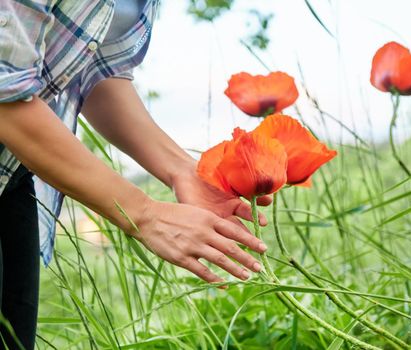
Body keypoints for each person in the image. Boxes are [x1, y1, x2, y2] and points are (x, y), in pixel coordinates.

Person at [0, 1, 270, 348]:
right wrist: (144, 214)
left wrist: (182, 170)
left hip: (12, 176)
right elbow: (5, 93)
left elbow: (93, 72)